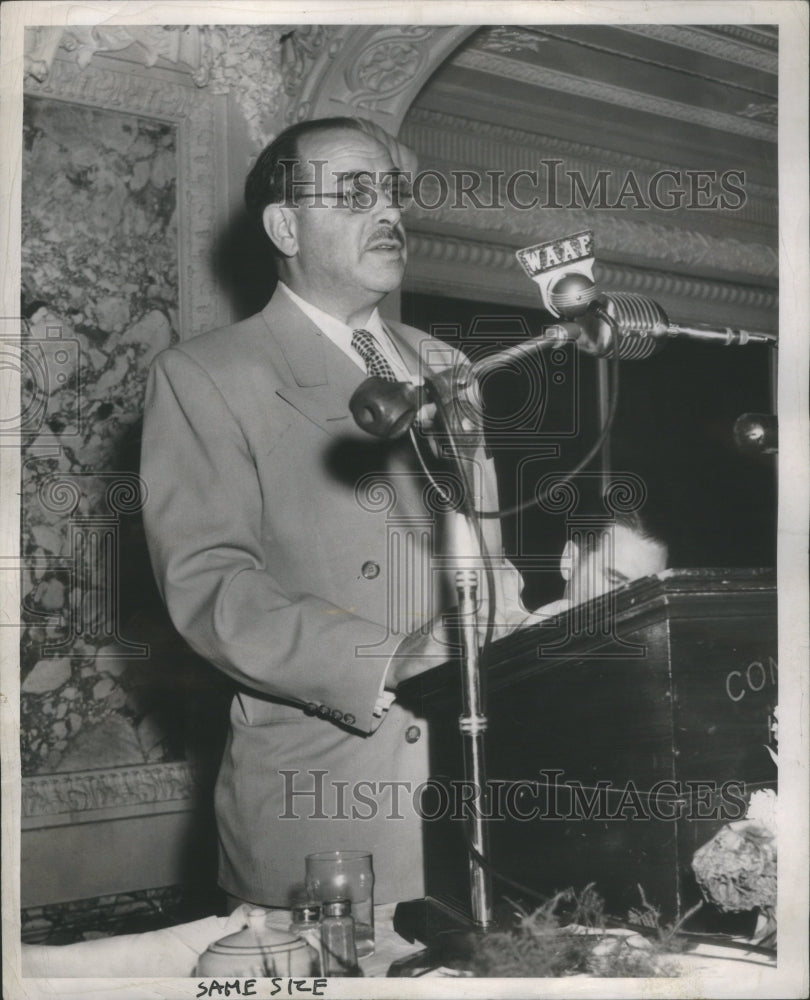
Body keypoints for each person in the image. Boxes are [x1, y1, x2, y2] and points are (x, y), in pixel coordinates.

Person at [140, 117, 525, 908]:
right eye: (354, 195)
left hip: (475, 790)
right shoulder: (205, 374)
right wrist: (385, 661)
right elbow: (211, 586)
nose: (388, 214)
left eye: (391, 193)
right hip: (325, 805)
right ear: (285, 225)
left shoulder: (448, 368)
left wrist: (526, 616)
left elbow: (481, 557)